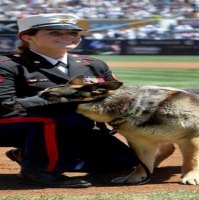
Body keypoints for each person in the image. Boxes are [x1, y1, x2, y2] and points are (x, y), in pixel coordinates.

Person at [0, 13, 141, 187]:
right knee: (66, 118)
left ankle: (29, 154)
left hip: (74, 128)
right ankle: (38, 171)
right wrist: (61, 100)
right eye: (55, 33)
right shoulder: (7, 65)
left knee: (122, 162)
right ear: (28, 37)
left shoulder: (94, 64)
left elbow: (120, 100)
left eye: (74, 33)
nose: (68, 37)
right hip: (13, 125)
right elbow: (5, 106)